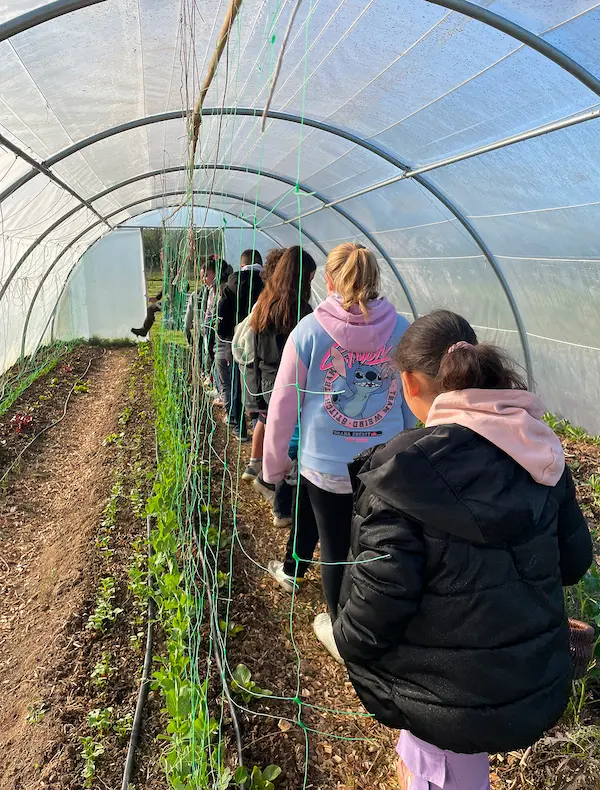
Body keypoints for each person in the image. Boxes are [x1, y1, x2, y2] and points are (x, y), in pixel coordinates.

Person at [333, 310, 593, 790]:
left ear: (410, 385)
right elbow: (575, 563)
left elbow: (373, 614)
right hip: (525, 676)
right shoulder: (538, 449)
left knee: (444, 768)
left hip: (442, 689)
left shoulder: (401, 474)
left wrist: (342, 636)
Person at [262, 242, 415, 642]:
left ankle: (340, 630)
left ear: (328, 280)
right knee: (373, 548)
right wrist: (413, 449)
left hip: (324, 467)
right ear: (375, 279)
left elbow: (283, 404)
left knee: (333, 549)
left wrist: (274, 466)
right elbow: (413, 397)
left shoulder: (309, 331)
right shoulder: (401, 330)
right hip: (384, 465)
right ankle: (379, 627)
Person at [245, 246, 316, 529]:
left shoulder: (265, 302)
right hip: (288, 383)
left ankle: (268, 480)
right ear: (303, 277)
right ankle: (279, 502)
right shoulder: (301, 311)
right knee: (293, 443)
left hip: (265, 380)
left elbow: (256, 351)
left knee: (279, 435)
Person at [242, 247, 286, 481]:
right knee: (275, 425)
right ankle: (268, 476)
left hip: (261, 372)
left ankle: (254, 465)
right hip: (275, 373)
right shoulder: (279, 303)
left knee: (265, 418)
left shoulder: (263, 300)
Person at [217, 249, 264, 440]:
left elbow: (223, 314)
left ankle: (239, 427)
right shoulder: (267, 283)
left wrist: (228, 335)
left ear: (241, 264)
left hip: (238, 341)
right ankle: (259, 425)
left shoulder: (230, 285)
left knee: (237, 381)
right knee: (260, 384)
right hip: (262, 342)